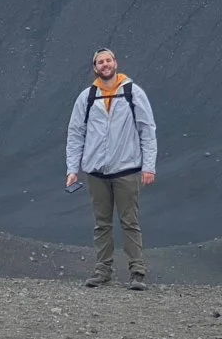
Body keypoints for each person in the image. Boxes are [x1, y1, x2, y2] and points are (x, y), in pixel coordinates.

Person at [66, 48, 158, 291]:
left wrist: (149, 166)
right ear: (95, 68)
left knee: (130, 221)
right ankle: (102, 271)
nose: (105, 65)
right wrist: (72, 169)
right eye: (100, 62)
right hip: (96, 171)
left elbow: (147, 130)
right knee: (101, 223)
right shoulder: (87, 97)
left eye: (108, 60)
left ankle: (137, 272)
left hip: (126, 169)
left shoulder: (132, 93)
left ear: (115, 63)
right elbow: (76, 134)